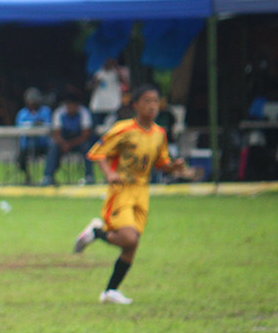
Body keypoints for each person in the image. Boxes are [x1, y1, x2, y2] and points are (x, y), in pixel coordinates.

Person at [74, 84, 186, 304]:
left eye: (155, 101)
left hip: (142, 192)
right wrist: (109, 174)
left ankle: (110, 292)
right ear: (135, 105)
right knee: (128, 238)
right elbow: (98, 153)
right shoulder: (123, 129)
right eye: (146, 101)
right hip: (122, 190)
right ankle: (96, 232)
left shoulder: (159, 134)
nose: (152, 106)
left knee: (132, 245)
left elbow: (161, 162)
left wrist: (174, 167)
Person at [41, 91, 95, 186]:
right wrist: (64, 144)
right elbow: (56, 133)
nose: (71, 107)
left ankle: (89, 176)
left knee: (87, 147)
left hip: (78, 141)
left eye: (73, 105)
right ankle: (48, 176)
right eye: (69, 105)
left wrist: (70, 144)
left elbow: (85, 134)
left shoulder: (83, 112)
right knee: (53, 147)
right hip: (63, 141)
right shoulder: (59, 113)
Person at [15, 87, 52, 185]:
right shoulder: (22, 113)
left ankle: (48, 177)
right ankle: (27, 177)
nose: (33, 105)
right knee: (20, 158)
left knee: (54, 153)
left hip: (42, 144)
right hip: (27, 145)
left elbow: (49, 125)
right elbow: (20, 127)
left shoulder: (45, 111)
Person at [88, 57, 128, 131]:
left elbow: (124, 82)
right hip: (98, 107)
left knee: (112, 131)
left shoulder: (117, 72)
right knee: (97, 132)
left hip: (113, 107)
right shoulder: (97, 72)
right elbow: (89, 87)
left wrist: (116, 68)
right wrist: (95, 82)